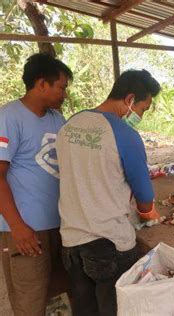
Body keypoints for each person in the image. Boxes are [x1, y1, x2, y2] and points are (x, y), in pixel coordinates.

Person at [56, 69, 161, 316]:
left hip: (70, 242)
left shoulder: (70, 124)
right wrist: (147, 213)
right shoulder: (126, 135)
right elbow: (144, 198)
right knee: (115, 309)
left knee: (84, 309)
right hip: (108, 244)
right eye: (143, 109)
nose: (140, 116)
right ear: (130, 99)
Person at [0, 53, 72, 316]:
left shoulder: (56, 119)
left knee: (60, 295)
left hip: (60, 225)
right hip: (27, 230)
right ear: (41, 83)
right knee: (30, 299)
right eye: (61, 87)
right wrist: (18, 228)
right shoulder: (8, 117)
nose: (64, 94)